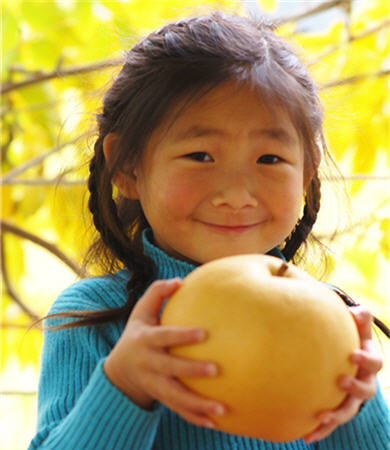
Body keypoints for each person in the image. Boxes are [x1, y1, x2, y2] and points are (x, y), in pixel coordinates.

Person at [29, 11, 390, 450]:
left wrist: (358, 400)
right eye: (200, 156)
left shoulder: (328, 317)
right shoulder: (94, 316)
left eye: (270, 159)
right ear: (127, 166)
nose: (237, 195)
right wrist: (124, 383)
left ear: (307, 172)